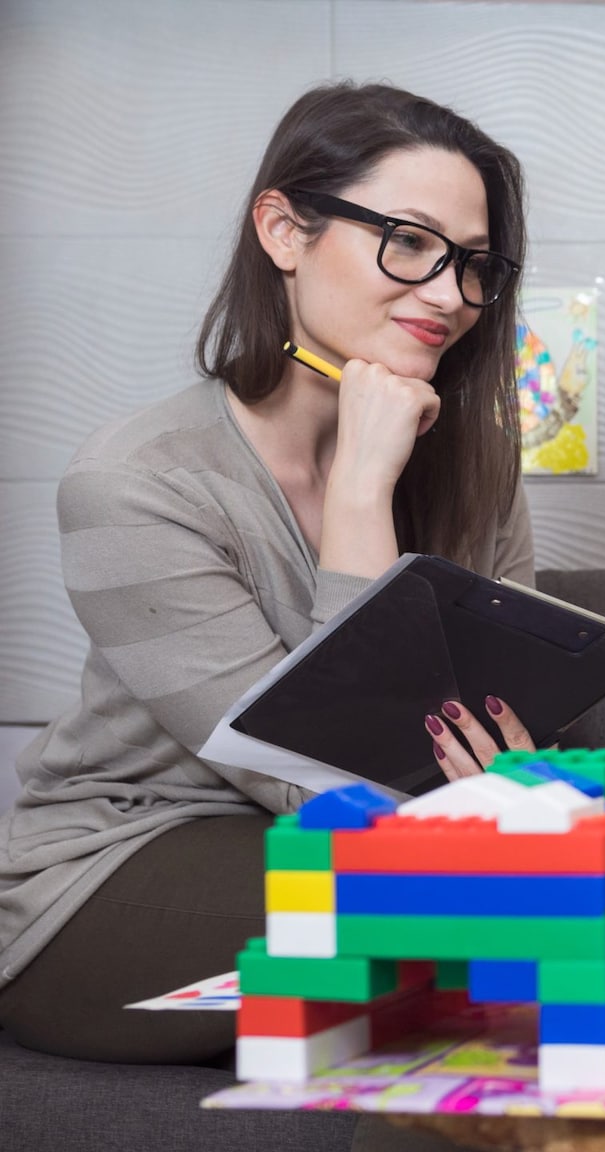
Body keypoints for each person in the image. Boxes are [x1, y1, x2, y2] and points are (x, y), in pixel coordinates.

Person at [0, 82, 542, 1063]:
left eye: (471, 264)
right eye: (408, 241)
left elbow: (488, 729)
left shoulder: (478, 463)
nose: (448, 295)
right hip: (121, 867)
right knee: (473, 920)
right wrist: (358, 494)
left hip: (384, 848)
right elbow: (336, 781)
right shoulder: (135, 481)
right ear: (284, 231)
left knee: (585, 887)